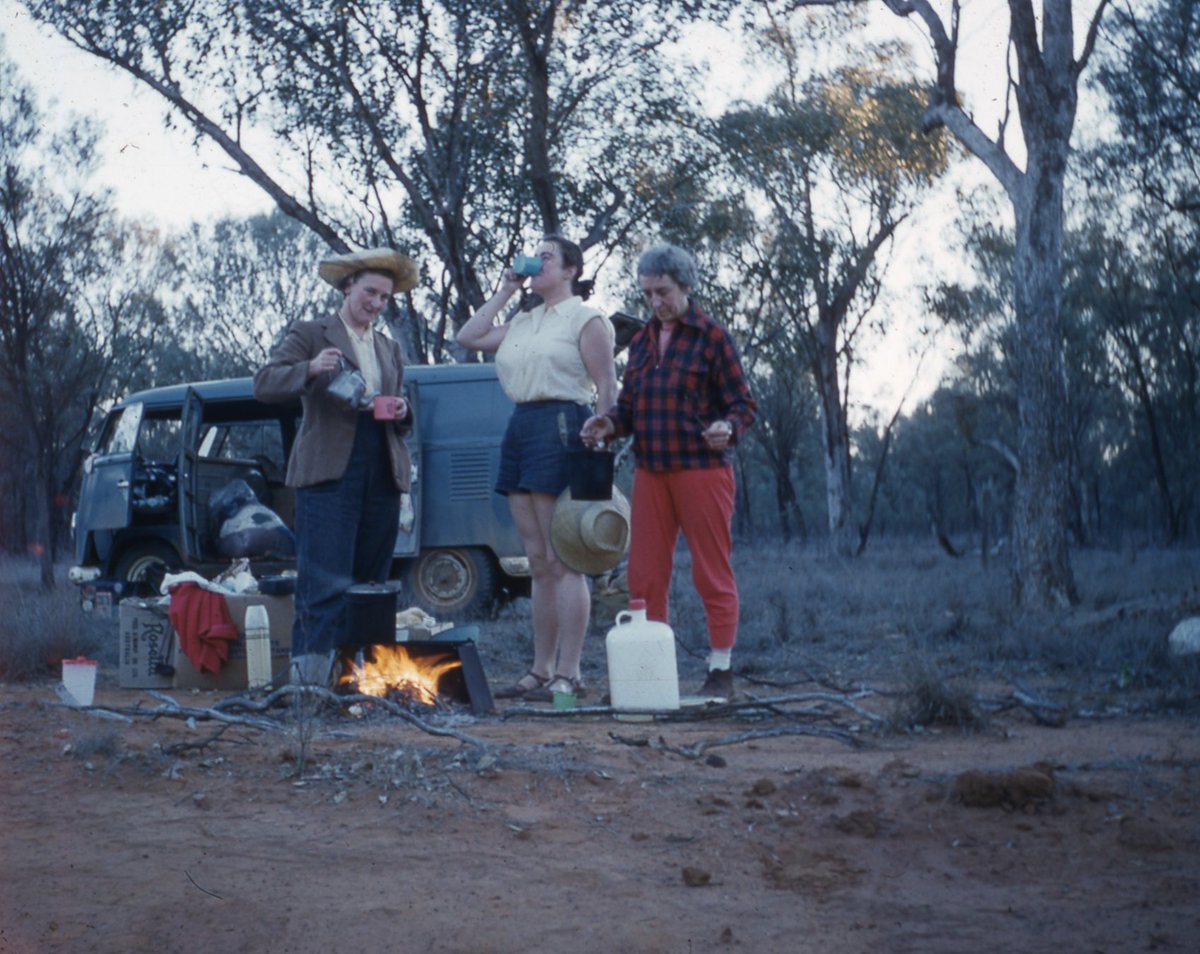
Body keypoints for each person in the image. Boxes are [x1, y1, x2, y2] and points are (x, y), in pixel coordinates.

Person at [582, 243, 756, 701]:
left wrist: (727, 427)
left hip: (702, 471)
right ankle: (647, 673)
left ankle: (721, 670)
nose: (656, 302)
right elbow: (631, 409)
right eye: (648, 294)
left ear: (685, 287)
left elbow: (743, 403)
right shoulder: (640, 342)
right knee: (643, 576)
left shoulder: (711, 337)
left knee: (710, 572)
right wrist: (609, 424)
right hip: (651, 473)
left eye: (663, 292)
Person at [457, 235, 618, 701]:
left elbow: (606, 385)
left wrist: (603, 434)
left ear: (570, 270)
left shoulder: (587, 318)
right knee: (538, 562)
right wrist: (507, 288)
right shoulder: (523, 320)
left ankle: (571, 671)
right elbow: (469, 337)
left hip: (564, 422)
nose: (536, 262)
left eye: (547, 257)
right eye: (535, 256)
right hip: (521, 425)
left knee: (565, 555)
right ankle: (541, 670)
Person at [253, 247, 418, 685]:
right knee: (324, 580)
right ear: (347, 287)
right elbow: (265, 383)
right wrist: (308, 369)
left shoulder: (388, 347)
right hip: (328, 469)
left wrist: (402, 410)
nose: (377, 304)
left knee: (371, 582)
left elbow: (402, 415)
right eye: (370, 292)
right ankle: (310, 686)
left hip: (381, 466)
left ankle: (360, 681)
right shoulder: (312, 333)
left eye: (385, 297)